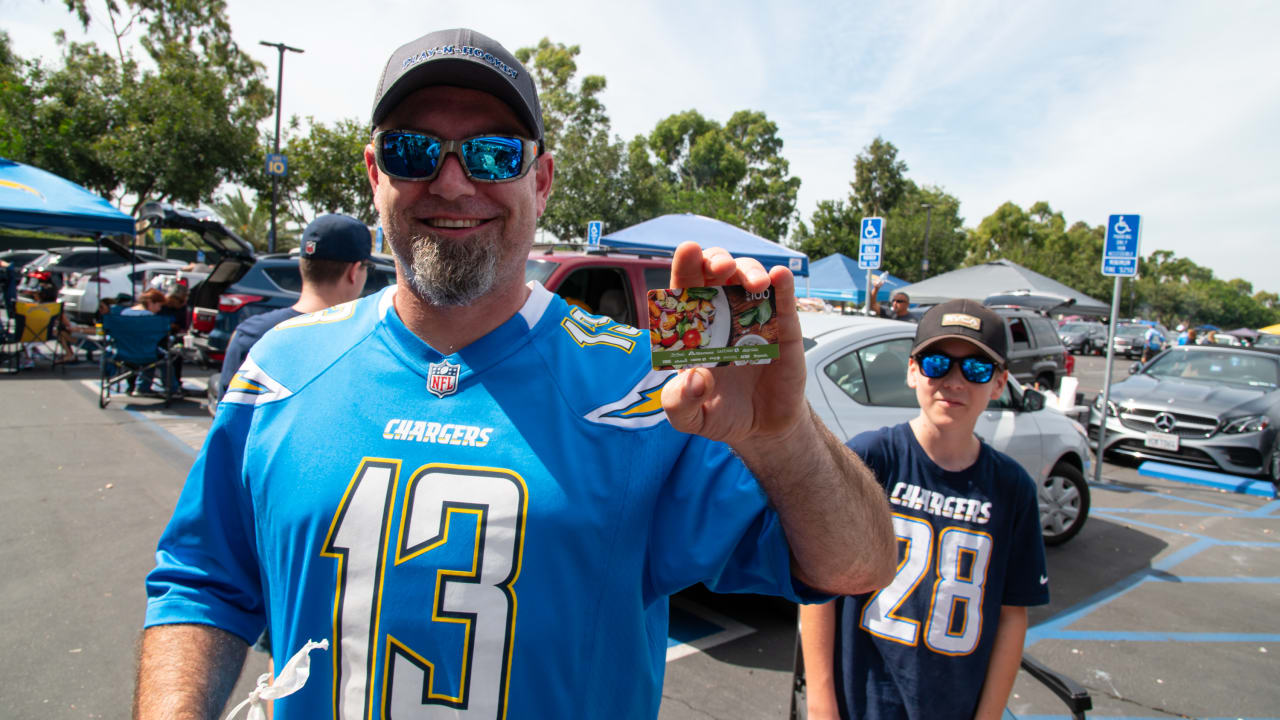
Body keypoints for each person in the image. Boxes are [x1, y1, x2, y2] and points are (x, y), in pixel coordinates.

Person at [134, 28, 896, 720]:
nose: (454, 182)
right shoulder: (283, 366)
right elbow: (201, 583)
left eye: (495, 153)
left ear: (541, 181)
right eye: (414, 151)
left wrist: (784, 435)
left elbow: (859, 564)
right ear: (374, 174)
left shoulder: (650, 387)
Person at [800, 299, 1049, 720]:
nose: (954, 381)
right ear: (913, 370)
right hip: (863, 702)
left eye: (975, 369)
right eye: (937, 363)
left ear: (999, 383)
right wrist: (822, 705)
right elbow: (818, 591)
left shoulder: (1012, 489)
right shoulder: (871, 458)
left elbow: (1012, 615)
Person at [217, 214, 373, 401]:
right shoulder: (365, 343)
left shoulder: (250, 334)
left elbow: (227, 418)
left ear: (302, 266)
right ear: (354, 272)